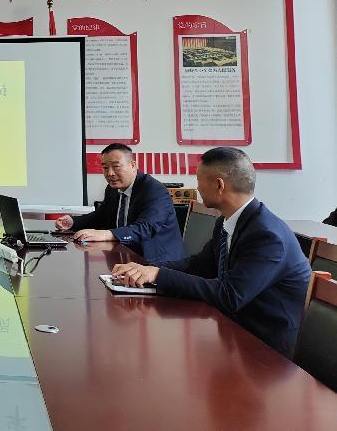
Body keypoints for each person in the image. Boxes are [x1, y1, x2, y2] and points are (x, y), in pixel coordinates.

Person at [112, 147, 311, 357]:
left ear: (219, 185)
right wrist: (147, 269)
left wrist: (159, 275)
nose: (197, 187)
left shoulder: (267, 236)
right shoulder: (227, 221)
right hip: (235, 331)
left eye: (199, 180)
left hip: (267, 348)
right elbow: (198, 265)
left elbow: (230, 295)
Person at [55, 143, 185, 263]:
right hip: (124, 257)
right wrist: (73, 222)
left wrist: (106, 234)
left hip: (157, 263)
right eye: (105, 168)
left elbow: (145, 228)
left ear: (132, 165)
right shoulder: (112, 189)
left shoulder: (154, 190)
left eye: (116, 166)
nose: (110, 173)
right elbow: (100, 216)